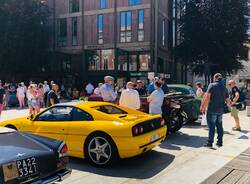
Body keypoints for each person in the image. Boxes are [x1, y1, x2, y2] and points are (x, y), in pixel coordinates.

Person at [200, 73, 230, 148]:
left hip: (212, 109)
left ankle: (210, 143)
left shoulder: (212, 85)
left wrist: (203, 107)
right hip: (220, 110)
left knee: (212, 127)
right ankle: (220, 142)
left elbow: (207, 97)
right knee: (219, 125)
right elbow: (228, 101)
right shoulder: (224, 88)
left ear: (215, 78)